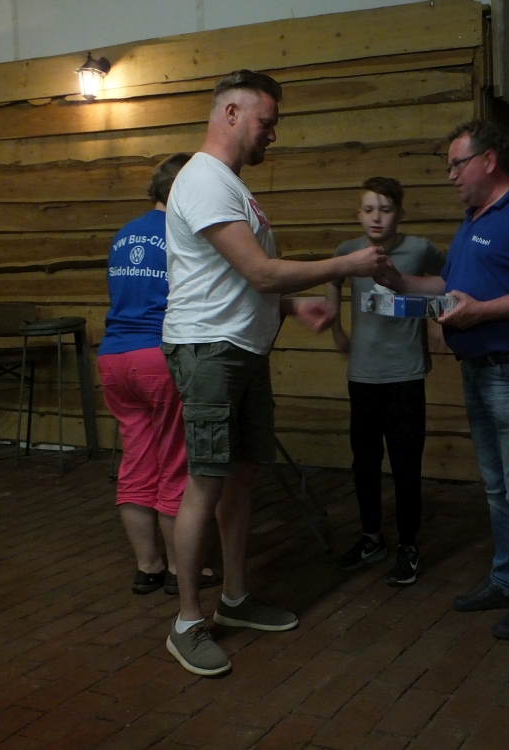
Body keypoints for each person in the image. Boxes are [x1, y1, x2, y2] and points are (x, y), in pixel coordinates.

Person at [161, 69, 388, 676]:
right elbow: (259, 272)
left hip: (241, 348)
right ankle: (187, 621)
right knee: (205, 482)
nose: (273, 134)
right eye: (267, 122)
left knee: (240, 476)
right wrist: (344, 266)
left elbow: (237, 281)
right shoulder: (203, 179)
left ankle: (235, 599)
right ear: (231, 113)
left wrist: (289, 307)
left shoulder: (231, 185)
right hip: (209, 351)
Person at [373, 120, 509, 640]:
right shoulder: (472, 221)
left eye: (456, 164)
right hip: (479, 370)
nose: (450, 176)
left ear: (489, 160)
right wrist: (399, 281)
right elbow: (450, 284)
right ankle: (505, 580)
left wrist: (483, 312)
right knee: (497, 485)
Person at [97, 153, 221, 597]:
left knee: (136, 461)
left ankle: (146, 565)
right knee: (174, 462)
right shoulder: (181, 232)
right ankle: (178, 568)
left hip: (114, 357)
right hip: (157, 355)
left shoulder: (123, 234)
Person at [325, 177, 445, 586]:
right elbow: (332, 277)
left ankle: (408, 545)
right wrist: (335, 324)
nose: (377, 217)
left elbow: (451, 278)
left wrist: (438, 318)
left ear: (400, 213)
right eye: (369, 209)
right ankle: (372, 538)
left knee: (406, 463)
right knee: (365, 462)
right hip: (363, 374)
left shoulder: (420, 249)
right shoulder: (348, 251)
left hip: (406, 374)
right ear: (359, 214)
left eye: (386, 209)